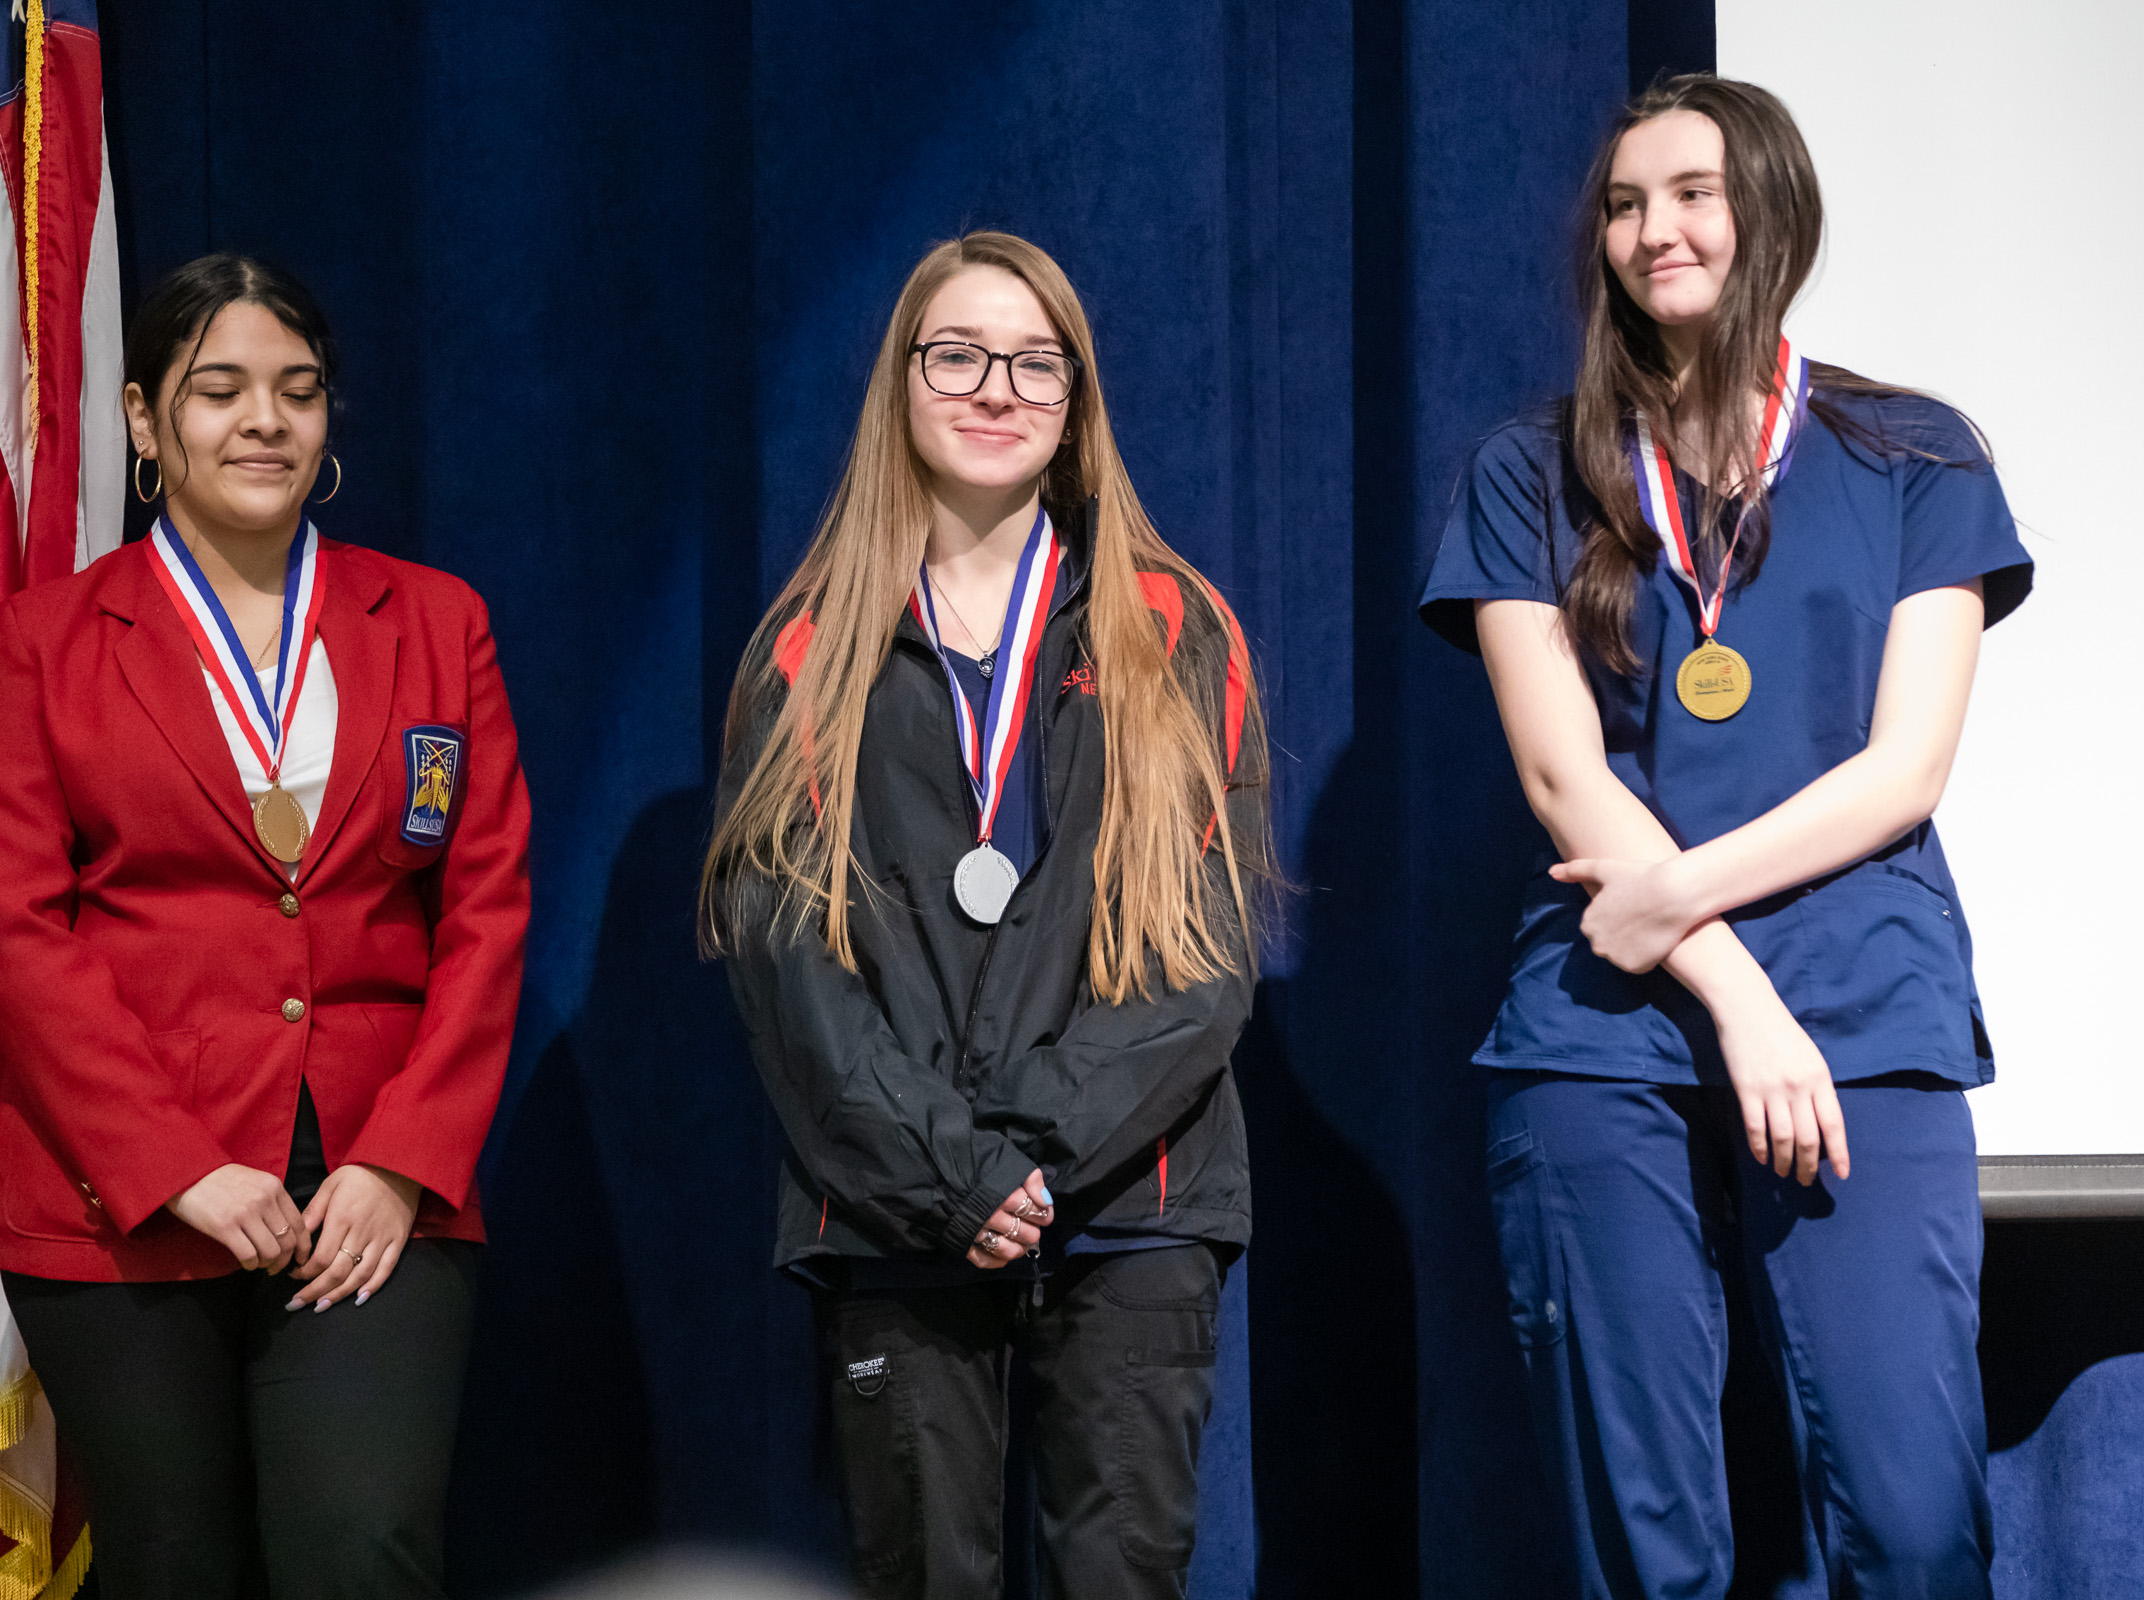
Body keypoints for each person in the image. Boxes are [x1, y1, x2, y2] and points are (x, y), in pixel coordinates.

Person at [1420, 76, 2032, 1597]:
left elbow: (1903, 773)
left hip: (1862, 1011)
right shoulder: (1528, 469)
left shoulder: (1918, 457)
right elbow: (1566, 782)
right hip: (1604, 1028)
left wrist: (1687, 908)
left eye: (1692, 192)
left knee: (1908, 1516)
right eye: (1625, 203)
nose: (1652, 230)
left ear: (1771, 209)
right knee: (1646, 1537)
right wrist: (1732, 990)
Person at [702, 231, 1270, 1600]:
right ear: (901, 382)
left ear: (1078, 401)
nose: (995, 387)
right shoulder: (806, 645)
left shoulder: (1174, 628)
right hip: (897, 1210)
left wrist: (1028, 1156)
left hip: (1135, 1200)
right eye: (957, 353)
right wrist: (953, 1173)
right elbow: (786, 969)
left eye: (1034, 360)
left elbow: (1207, 951)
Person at [0, 254, 531, 1599]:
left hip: (369, 1197)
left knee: (362, 1548)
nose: (264, 421)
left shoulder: (436, 621)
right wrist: (173, 1166)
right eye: (219, 390)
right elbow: (17, 931)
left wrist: (401, 1162)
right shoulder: (47, 639)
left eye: (297, 390)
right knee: (176, 1570)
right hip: (127, 1204)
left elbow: (488, 908)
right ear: (147, 420)